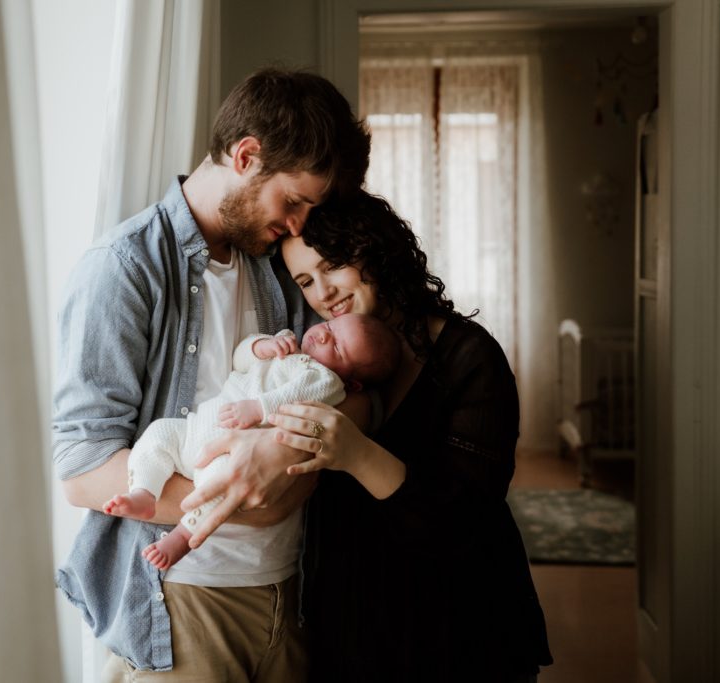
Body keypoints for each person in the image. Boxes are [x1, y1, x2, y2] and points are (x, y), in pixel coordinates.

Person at [52, 66, 370, 681]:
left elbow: (352, 393)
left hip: (292, 591)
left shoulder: (283, 266)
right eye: (294, 202)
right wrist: (246, 504)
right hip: (181, 601)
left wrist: (280, 466)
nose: (300, 226)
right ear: (247, 155)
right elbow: (83, 470)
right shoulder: (124, 268)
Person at [182, 192, 553, 682]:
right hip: (356, 619)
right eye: (306, 282)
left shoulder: (470, 358)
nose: (324, 294)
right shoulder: (322, 365)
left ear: (375, 250)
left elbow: (466, 521)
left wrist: (357, 455)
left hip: (457, 623)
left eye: (333, 266)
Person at [105, 313, 400, 570]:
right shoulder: (287, 344)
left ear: (352, 383)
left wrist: (260, 408)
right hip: (196, 429)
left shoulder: (327, 382)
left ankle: (182, 536)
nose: (322, 335)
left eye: (336, 345)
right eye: (330, 326)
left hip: (230, 449)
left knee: (219, 486)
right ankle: (144, 492)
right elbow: (240, 358)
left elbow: (295, 398)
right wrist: (261, 347)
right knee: (159, 434)